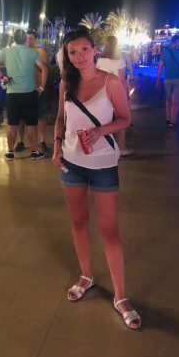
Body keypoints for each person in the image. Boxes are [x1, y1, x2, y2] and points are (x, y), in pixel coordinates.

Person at [52, 29, 141, 330]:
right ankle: (86, 276)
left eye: (84, 49)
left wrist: (100, 130)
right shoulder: (66, 83)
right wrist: (56, 146)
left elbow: (125, 119)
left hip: (103, 164)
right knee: (78, 222)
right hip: (71, 163)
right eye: (72, 52)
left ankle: (120, 296)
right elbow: (61, 119)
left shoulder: (110, 82)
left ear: (95, 50)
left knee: (109, 230)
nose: (79, 56)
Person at [0, 29, 48, 161]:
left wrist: (3, 76)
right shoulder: (33, 52)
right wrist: (42, 87)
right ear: (25, 39)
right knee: (31, 124)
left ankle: (10, 152)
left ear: (14, 39)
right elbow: (44, 69)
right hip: (29, 93)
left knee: (12, 124)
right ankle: (34, 152)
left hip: (12, 94)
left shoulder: (6, 51)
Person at [96, 35, 132, 156]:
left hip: (102, 93)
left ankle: (104, 148)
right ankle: (121, 148)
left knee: (104, 121)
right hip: (116, 94)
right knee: (120, 121)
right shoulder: (119, 60)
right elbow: (122, 81)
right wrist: (125, 96)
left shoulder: (100, 61)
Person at [15, 32, 49, 153]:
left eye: (31, 38)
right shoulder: (19, 52)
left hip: (37, 89)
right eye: (26, 38)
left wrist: (42, 87)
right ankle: (20, 141)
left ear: (35, 40)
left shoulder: (39, 52)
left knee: (40, 116)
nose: (28, 40)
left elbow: (43, 68)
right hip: (22, 89)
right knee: (21, 118)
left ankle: (42, 140)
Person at [156, 35, 179, 127]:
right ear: (176, 42)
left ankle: (168, 118)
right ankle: (173, 122)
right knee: (175, 101)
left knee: (168, 99)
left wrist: (158, 80)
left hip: (167, 79)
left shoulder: (165, 53)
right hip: (178, 79)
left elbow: (160, 67)